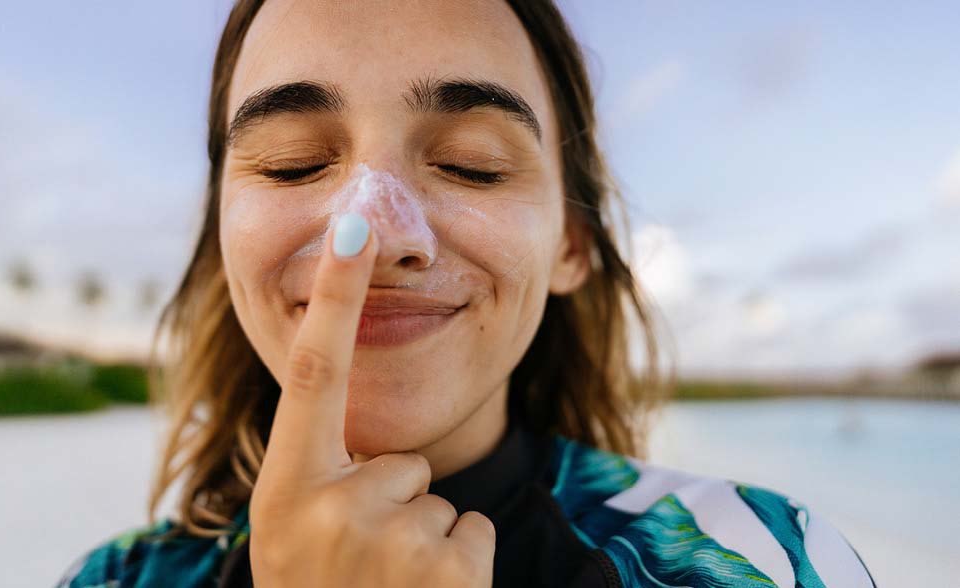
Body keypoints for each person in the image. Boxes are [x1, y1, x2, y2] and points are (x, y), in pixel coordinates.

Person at [58, 1, 876, 586]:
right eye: (293, 162)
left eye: (471, 164)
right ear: (220, 242)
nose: (376, 231)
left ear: (571, 244)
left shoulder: (772, 560)